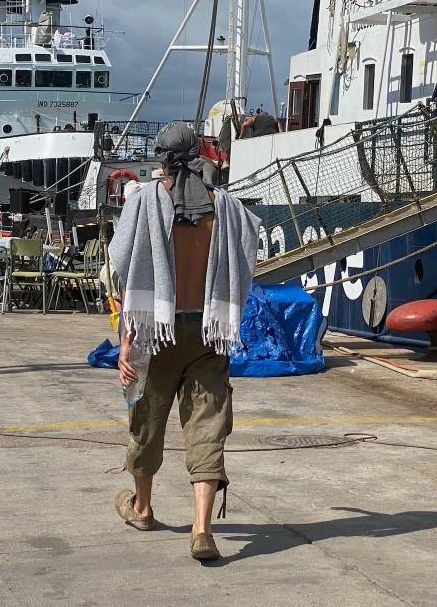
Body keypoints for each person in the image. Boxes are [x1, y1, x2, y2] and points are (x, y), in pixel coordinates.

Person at [108, 122, 260, 562]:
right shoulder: (226, 208)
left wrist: (125, 344)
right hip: (208, 330)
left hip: (155, 330)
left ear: (160, 157)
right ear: (199, 155)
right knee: (207, 428)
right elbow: (248, 256)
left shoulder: (143, 204)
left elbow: (125, 274)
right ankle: (201, 529)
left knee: (146, 421)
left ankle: (142, 509)